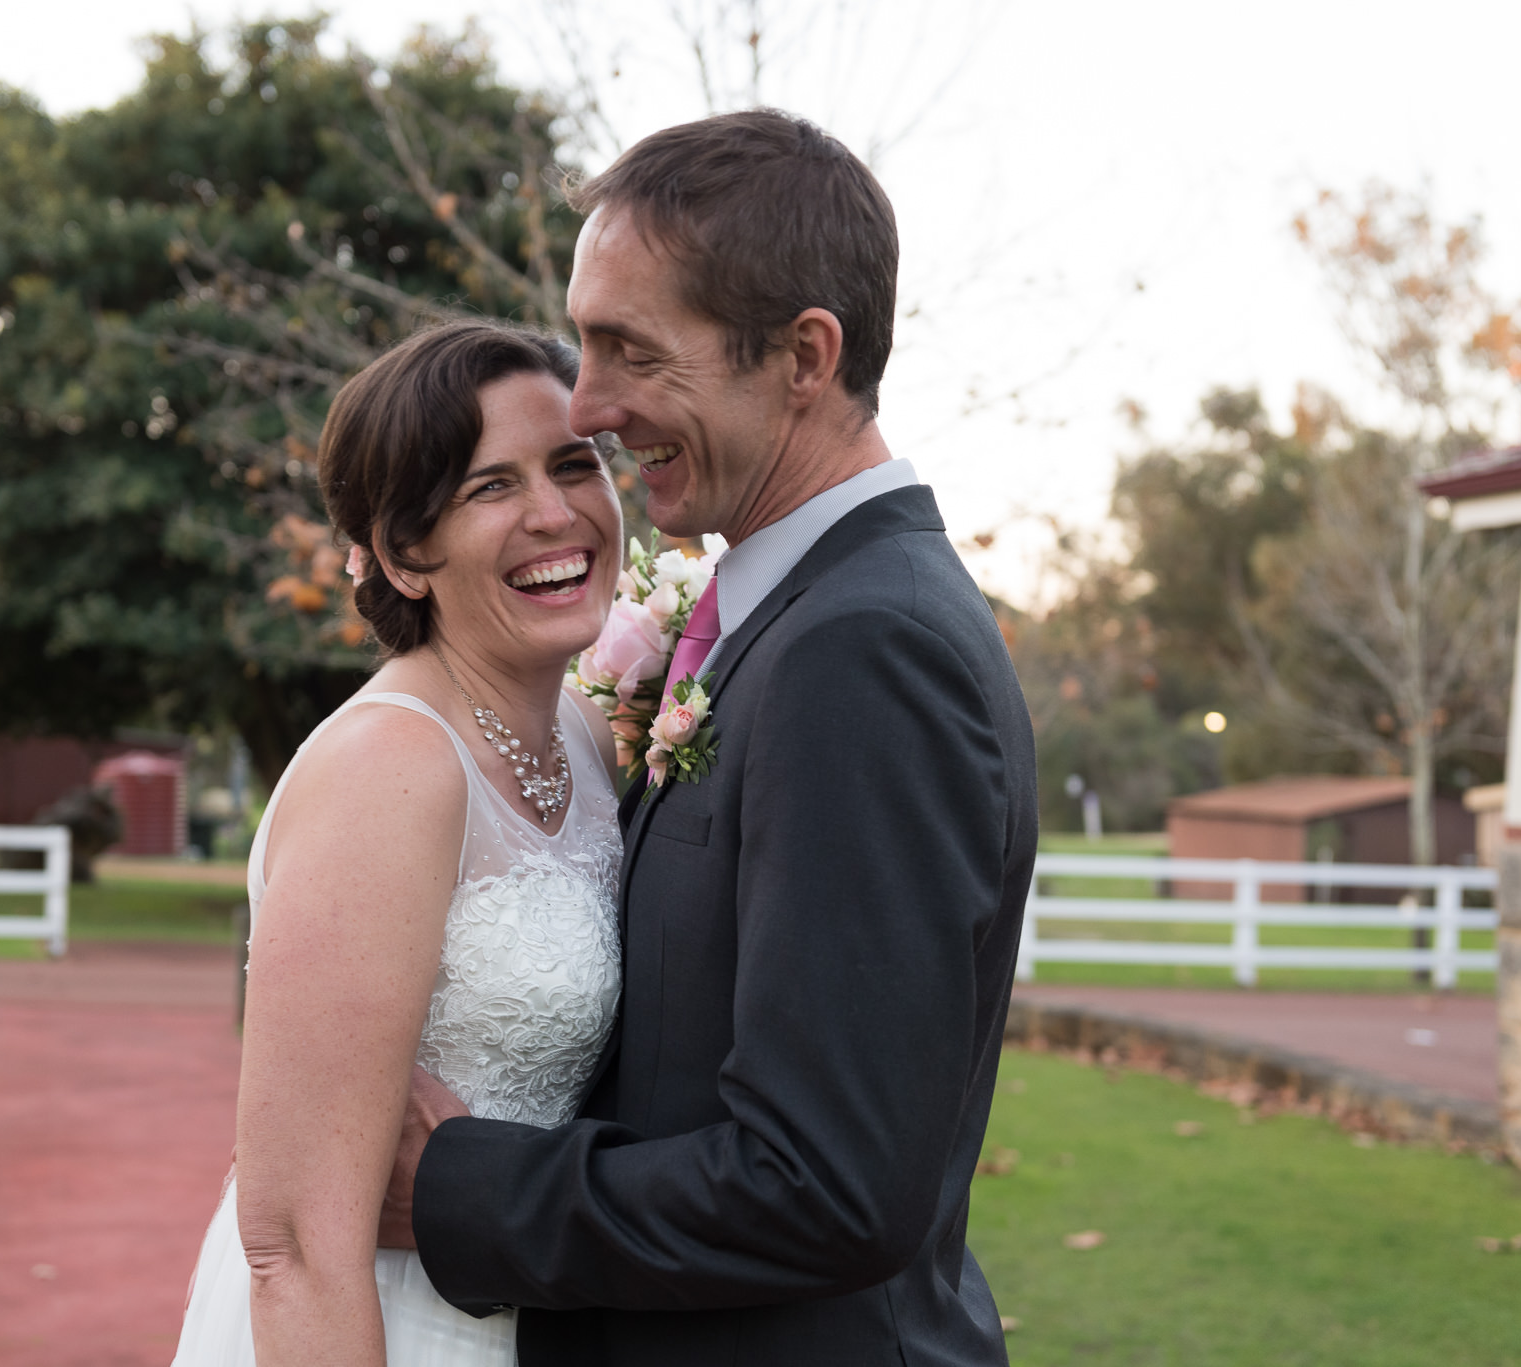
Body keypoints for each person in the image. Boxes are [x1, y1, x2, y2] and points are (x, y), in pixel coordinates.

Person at [383, 110, 1036, 1366]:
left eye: (628, 350)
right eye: (584, 343)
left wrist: (464, 1190)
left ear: (802, 355)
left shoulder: (864, 651)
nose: (588, 406)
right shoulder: (789, 612)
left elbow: (824, 1183)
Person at [169, 319, 629, 1367]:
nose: (554, 513)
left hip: (528, 1302)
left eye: (573, 464)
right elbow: (291, 1240)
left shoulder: (591, 732)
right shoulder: (392, 765)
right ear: (402, 553)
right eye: (489, 488)